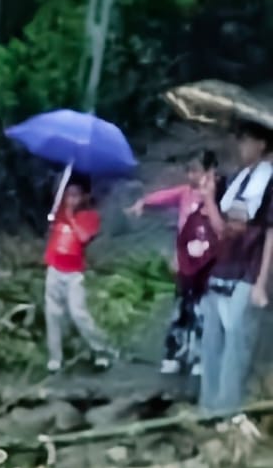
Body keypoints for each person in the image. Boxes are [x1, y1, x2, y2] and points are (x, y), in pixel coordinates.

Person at [199, 121, 273, 430]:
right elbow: (218, 226)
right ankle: (207, 408)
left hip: (249, 268)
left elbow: (269, 231)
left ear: (262, 145)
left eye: (245, 141)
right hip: (224, 265)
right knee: (211, 338)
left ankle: (227, 411)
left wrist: (261, 282)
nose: (240, 146)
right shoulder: (237, 178)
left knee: (236, 343)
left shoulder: (269, 181)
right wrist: (210, 194)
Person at [126, 151, 224, 376]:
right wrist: (143, 202)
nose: (191, 175)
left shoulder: (217, 197)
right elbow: (162, 197)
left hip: (208, 263)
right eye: (189, 170)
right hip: (186, 261)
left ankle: (199, 356)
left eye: (196, 170)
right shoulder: (185, 194)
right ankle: (174, 354)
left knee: (202, 312)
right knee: (181, 310)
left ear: (210, 172)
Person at [43, 173, 114, 373]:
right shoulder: (58, 211)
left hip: (74, 273)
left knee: (79, 313)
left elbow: (83, 238)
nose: (71, 199)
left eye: (75, 195)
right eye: (68, 195)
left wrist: (72, 217)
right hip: (54, 268)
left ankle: (102, 350)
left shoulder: (90, 217)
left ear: (84, 197)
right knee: (53, 314)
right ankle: (55, 357)